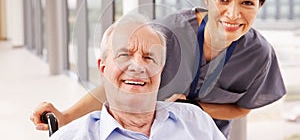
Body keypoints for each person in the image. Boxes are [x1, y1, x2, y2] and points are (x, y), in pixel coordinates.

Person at [30, 0, 286, 139]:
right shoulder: (167, 35)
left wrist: (197, 110)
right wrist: (66, 116)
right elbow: (118, 79)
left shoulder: (259, 55)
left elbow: (242, 108)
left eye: (247, 3)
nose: (233, 14)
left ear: (260, 5)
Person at [46, 15, 226, 139]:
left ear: (161, 70)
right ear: (103, 67)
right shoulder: (72, 137)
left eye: (149, 57)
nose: (138, 66)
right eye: (124, 55)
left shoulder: (196, 121)